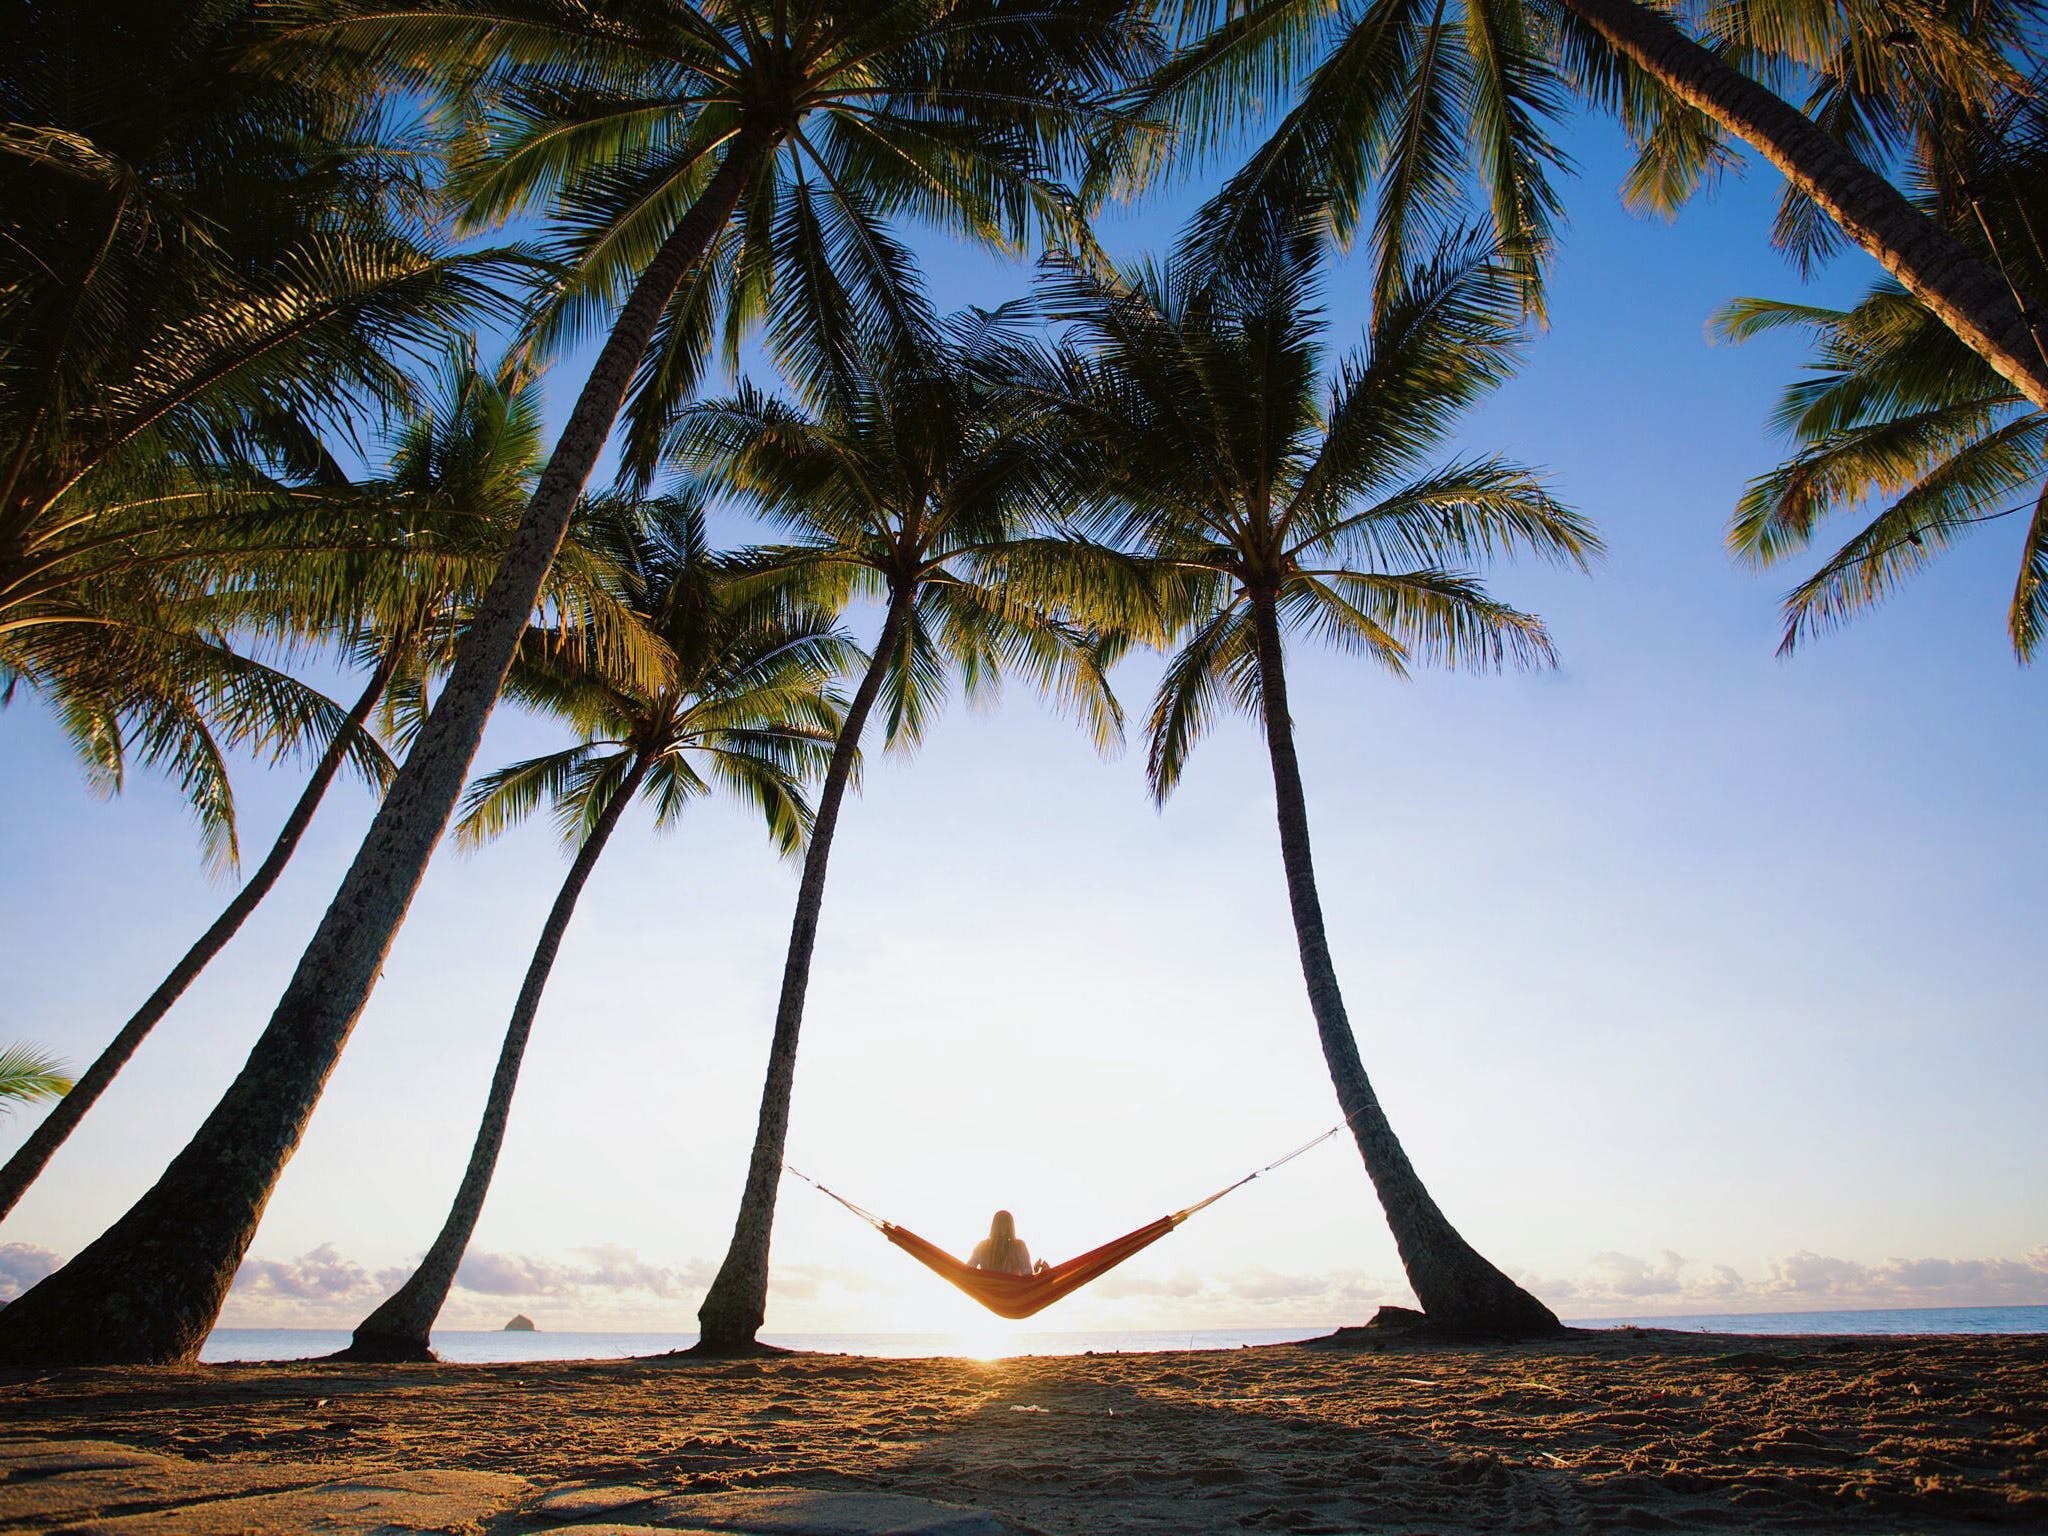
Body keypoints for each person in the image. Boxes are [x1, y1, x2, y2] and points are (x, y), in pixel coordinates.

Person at [969, 1210, 1049, 1276]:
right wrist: (1042, 1274)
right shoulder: (1018, 1246)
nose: (1003, 1227)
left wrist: (1036, 1271)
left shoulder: (982, 1246)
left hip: (988, 1293)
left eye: (1004, 1223)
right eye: (1001, 1223)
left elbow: (967, 1272)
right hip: (1011, 1294)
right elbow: (1027, 1277)